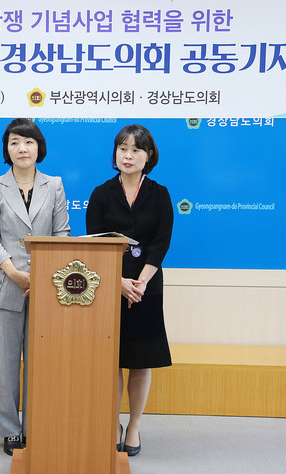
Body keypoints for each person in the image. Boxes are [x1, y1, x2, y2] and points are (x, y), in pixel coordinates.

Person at [0, 118, 71, 456]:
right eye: (15, 142)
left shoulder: (54, 185)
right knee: (6, 365)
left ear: (39, 147)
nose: (22, 148)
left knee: (39, 363)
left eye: (29, 142)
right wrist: (14, 272)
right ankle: (9, 430)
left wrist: (45, 276)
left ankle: (36, 425)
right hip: (6, 285)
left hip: (46, 287)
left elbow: (62, 235)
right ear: (7, 148)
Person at [85, 124, 173, 457]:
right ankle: (113, 423)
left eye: (136, 150)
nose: (128, 155)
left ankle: (134, 426)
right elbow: (95, 245)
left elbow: (160, 243)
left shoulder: (160, 194)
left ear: (148, 155)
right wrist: (117, 281)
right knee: (112, 359)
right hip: (110, 286)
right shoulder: (101, 193)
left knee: (140, 360)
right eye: (123, 148)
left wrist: (142, 282)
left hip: (146, 286)